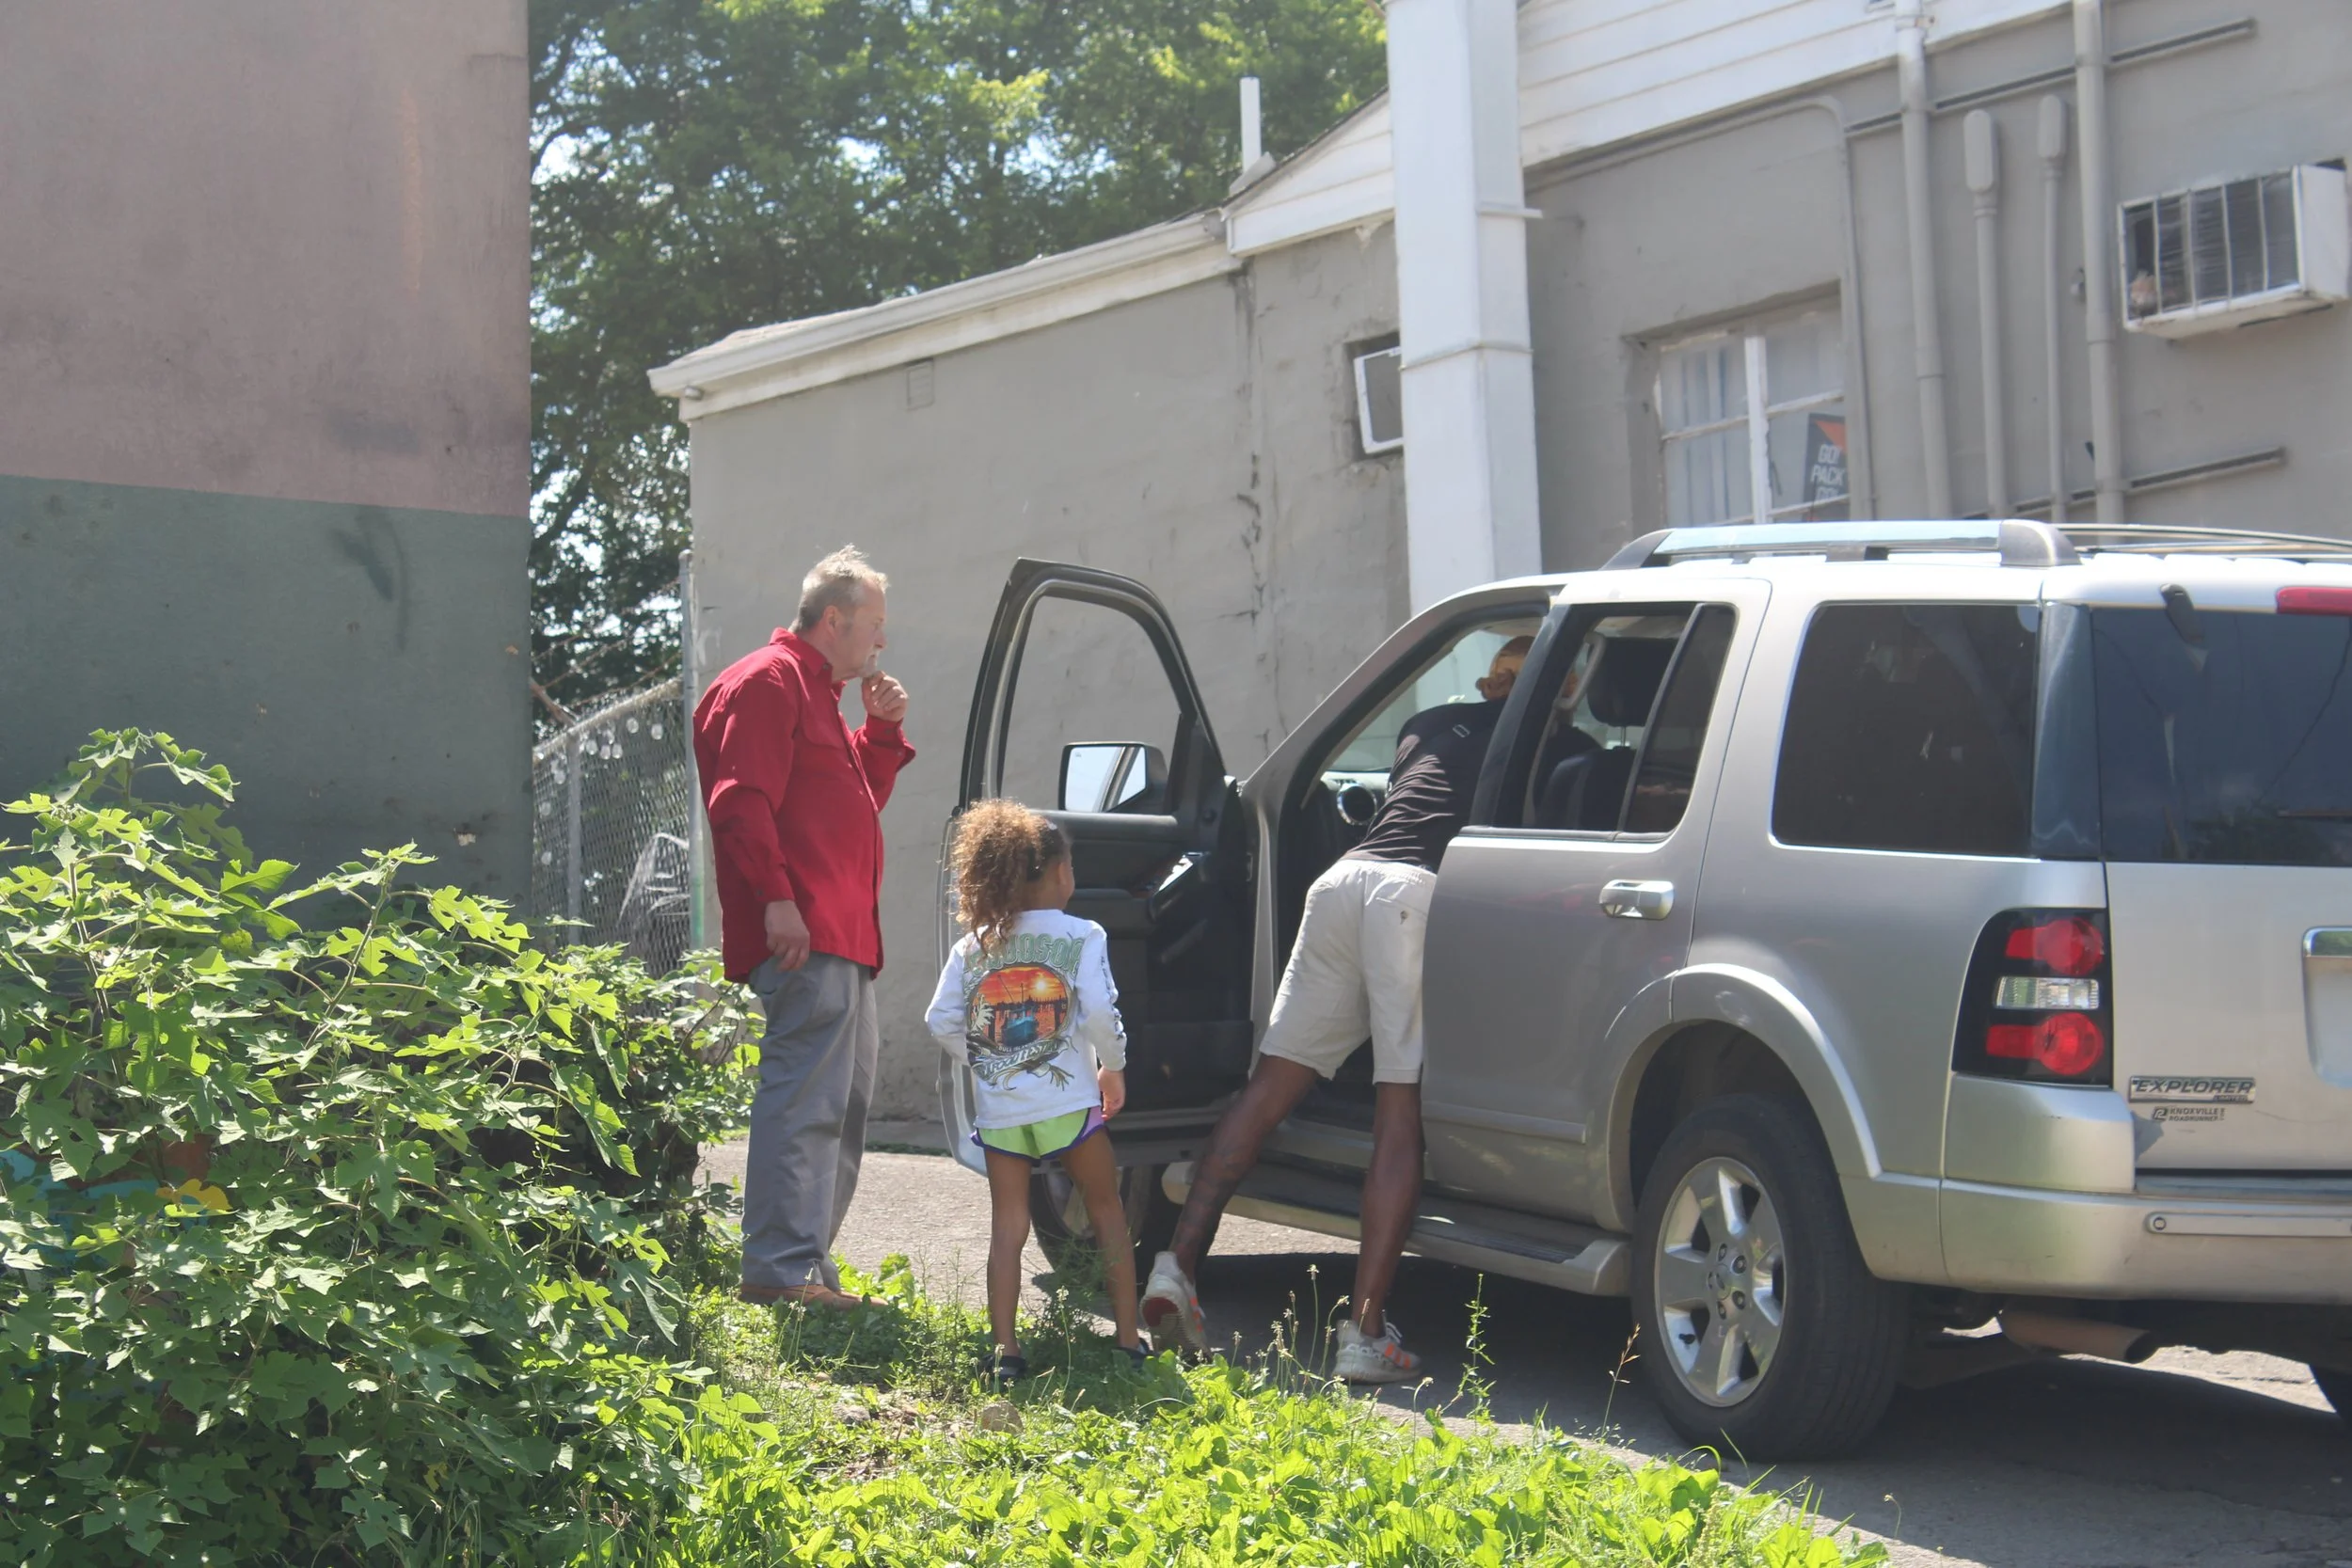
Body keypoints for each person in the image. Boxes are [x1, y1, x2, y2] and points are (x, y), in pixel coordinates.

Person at [1140, 635, 1533, 1381]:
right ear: (1553, 686)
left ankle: (1176, 1266)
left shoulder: (1430, 722)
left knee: (1268, 1087)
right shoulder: (1548, 737)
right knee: (1397, 1112)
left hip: (1344, 881)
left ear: (1488, 684)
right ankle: (1365, 1333)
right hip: (1412, 895)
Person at [692, 546, 914, 1309]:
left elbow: (847, 809)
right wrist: (776, 900)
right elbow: (740, 800)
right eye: (874, 625)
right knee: (805, 1102)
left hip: (841, 936)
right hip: (806, 931)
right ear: (834, 619)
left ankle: (803, 1266)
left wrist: (880, 734)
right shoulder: (766, 680)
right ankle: (780, 1272)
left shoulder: (817, 693)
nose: (881, 642)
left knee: (842, 1107)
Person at [927, 800, 1146, 1383]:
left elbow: (940, 1020)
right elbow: (1099, 1011)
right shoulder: (1083, 934)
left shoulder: (973, 945)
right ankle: (1128, 1342)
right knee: (1106, 1210)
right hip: (1070, 1105)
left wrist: (992, 1061)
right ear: (1059, 872)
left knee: (1009, 1225)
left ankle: (1007, 1354)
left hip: (1002, 1114)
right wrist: (1113, 1067)